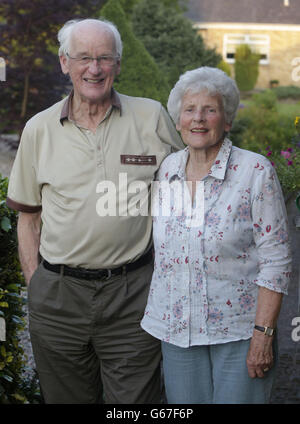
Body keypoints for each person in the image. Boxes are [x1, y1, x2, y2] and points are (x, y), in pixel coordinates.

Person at [6, 18, 183, 404]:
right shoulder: (39, 128)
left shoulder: (150, 117)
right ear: (64, 62)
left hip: (133, 293)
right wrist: (37, 283)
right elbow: (28, 216)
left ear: (118, 64)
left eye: (104, 58)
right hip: (59, 295)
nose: (95, 68)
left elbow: (185, 195)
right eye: (84, 57)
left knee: (136, 405)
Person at [141, 67, 292, 404]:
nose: (199, 119)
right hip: (178, 331)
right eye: (190, 110)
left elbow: (276, 260)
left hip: (240, 333)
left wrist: (263, 335)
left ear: (227, 120)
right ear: (178, 120)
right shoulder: (168, 171)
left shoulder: (254, 172)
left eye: (210, 110)